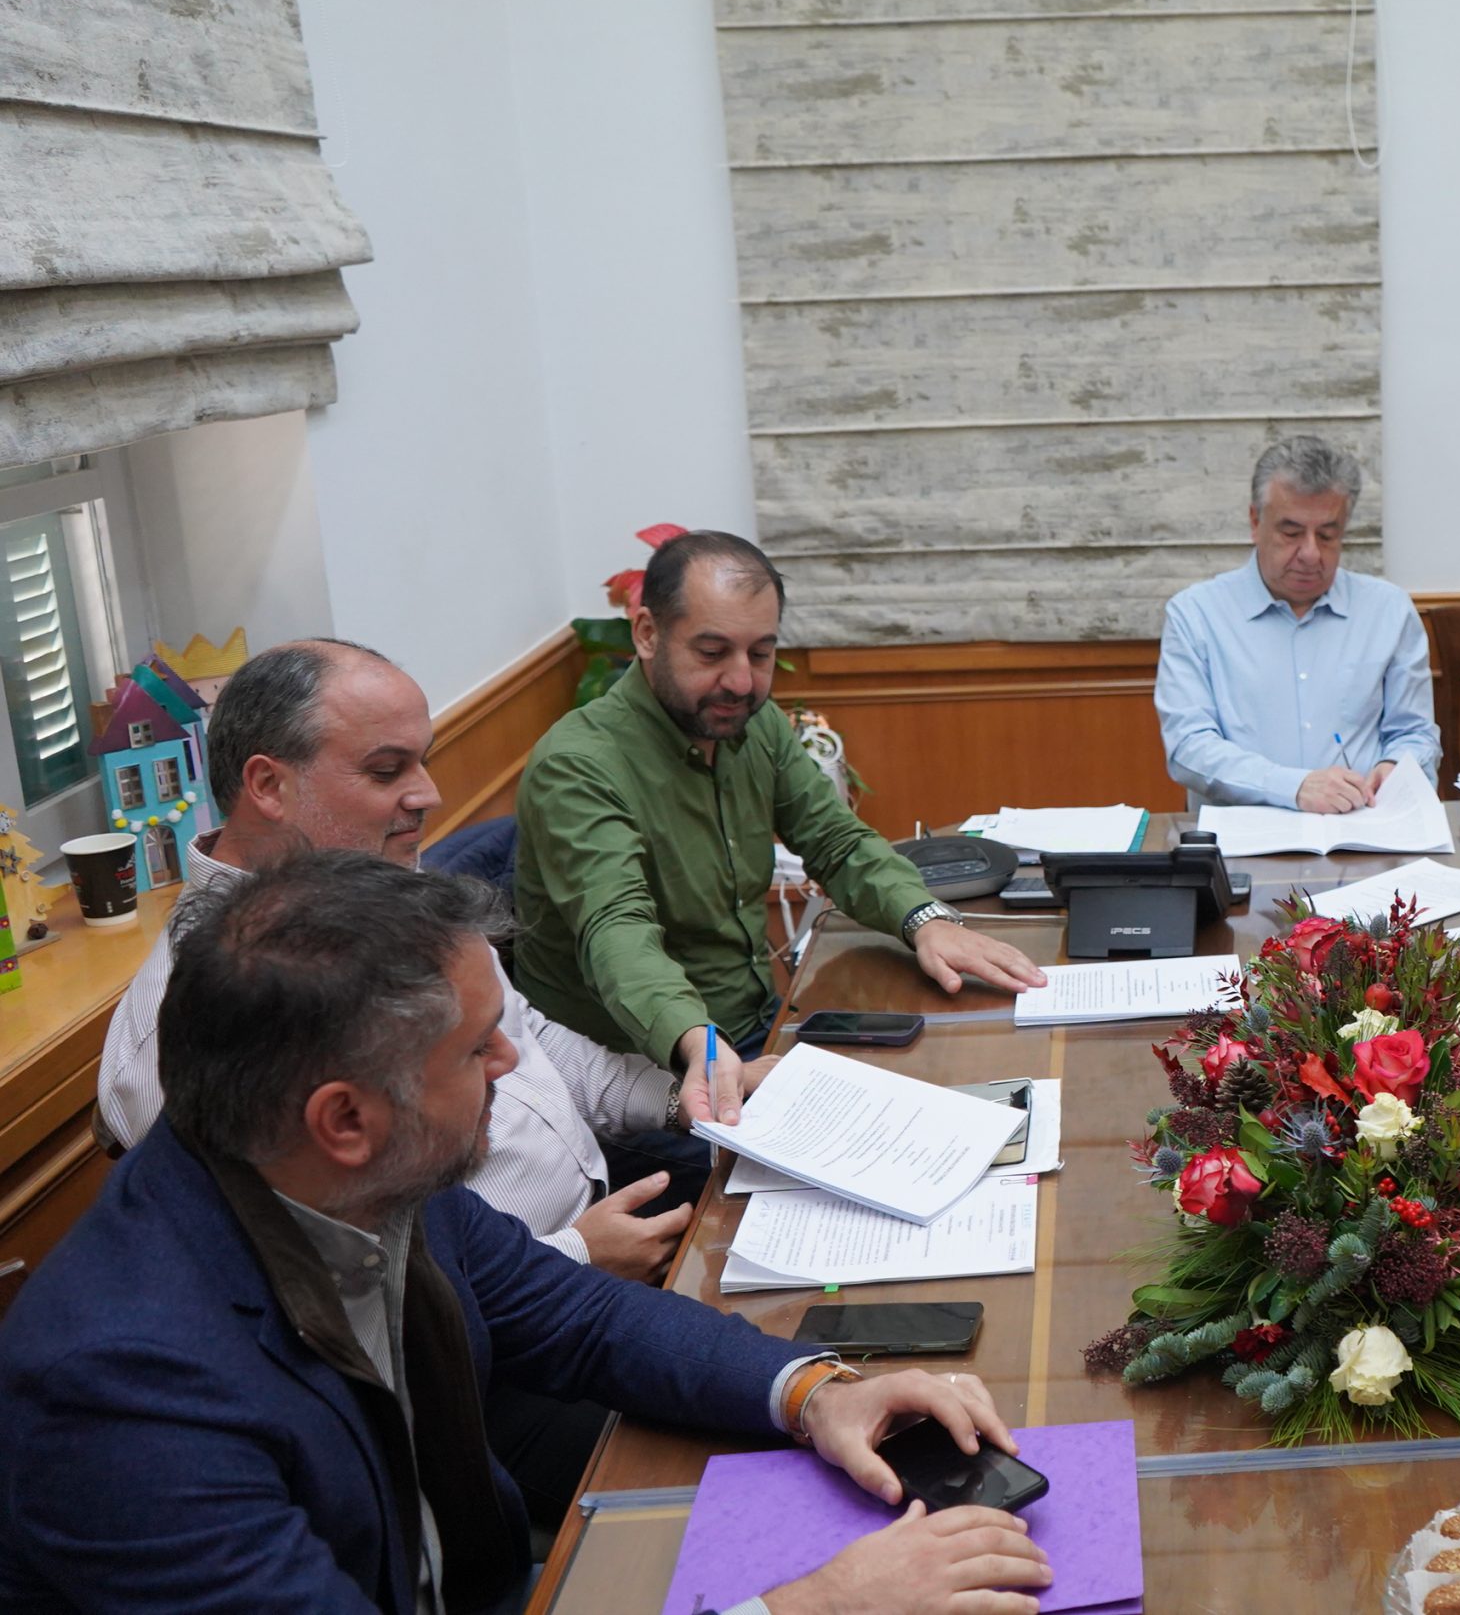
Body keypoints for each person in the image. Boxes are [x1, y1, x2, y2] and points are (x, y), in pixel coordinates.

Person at [0, 853, 1050, 1615]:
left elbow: (587, 1321)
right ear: (345, 1119)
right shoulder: (125, 1393)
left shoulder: (346, 1181)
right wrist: (816, 1607)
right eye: (476, 1049)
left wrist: (815, 1392)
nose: (513, 1061)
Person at [90, 639, 786, 1530]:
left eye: (423, 761)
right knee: (751, 1494)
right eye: (388, 771)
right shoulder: (193, 1031)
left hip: (568, 1272)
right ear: (268, 785)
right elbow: (328, 1319)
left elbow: (535, 1045)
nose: (428, 795)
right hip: (478, 1363)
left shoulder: (386, 898)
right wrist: (575, 1253)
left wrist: (694, 1094)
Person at [513, 531, 1044, 1125]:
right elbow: (618, 932)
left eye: (760, 654)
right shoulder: (578, 766)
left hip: (761, 1031)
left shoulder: (751, 724)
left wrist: (925, 920)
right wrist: (698, 1042)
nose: (742, 682)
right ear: (647, 634)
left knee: (961, 1090)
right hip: (645, 1078)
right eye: (712, 653)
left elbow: (835, 839)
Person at [1154, 435, 1440, 810]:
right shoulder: (1196, 615)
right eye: (1291, 533)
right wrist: (1294, 787)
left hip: (1361, 827)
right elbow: (1189, 748)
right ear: (1255, 522)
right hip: (1243, 835)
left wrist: (1396, 768)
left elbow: (1414, 733)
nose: (1310, 553)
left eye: (1327, 535)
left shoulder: (1388, 610)